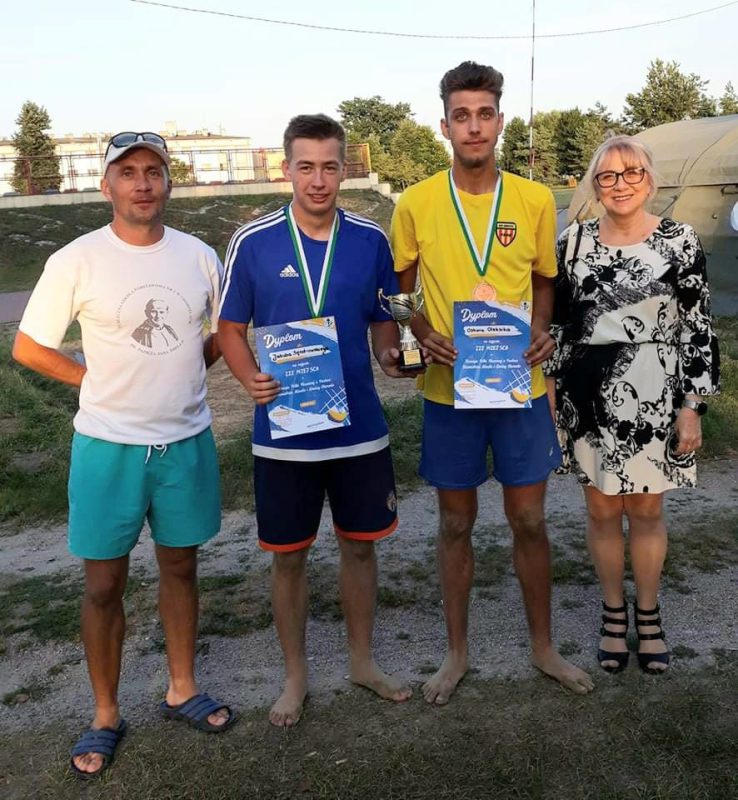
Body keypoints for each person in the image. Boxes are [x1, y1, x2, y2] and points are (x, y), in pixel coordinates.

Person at [13, 131, 233, 779]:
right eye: (129, 172)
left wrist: (187, 373)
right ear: (106, 185)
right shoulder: (76, 260)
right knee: (103, 585)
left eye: (154, 172)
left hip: (184, 441)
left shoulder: (198, 256)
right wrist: (92, 382)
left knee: (181, 568)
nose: (143, 183)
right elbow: (29, 347)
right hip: (107, 446)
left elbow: (223, 331)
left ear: (168, 183)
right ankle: (105, 713)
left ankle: (182, 688)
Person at [390, 61, 594, 705]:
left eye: (484, 114)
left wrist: (542, 328)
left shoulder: (534, 200)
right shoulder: (415, 202)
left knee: (529, 519)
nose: (473, 126)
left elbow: (543, 280)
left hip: (518, 387)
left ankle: (543, 648)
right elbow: (399, 292)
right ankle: (456, 654)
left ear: (500, 121)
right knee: (455, 524)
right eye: (462, 115)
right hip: (449, 390)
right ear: (444, 125)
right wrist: (422, 332)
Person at [218, 114, 413, 727]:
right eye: (306, 167)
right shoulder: (253, 241)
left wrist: (392, 355)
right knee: (289, 557)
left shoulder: (370, 239)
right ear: (287, 170)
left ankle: (362, 661)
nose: (319, 180)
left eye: (330, 166)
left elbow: (385, 321)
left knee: (360, 548)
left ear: (344, 169)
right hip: (284, 433)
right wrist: (248, 376)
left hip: (358, 429)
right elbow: (229, 328)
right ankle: (295, 676)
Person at [546, 135, 720, 674]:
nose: (620, 184)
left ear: (649, 179)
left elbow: (698, 327)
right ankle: (612, 614)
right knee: (601, 509)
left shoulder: (680, 241)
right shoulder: (571, 242)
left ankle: (648, 616)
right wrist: (550, 393)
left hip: (655, 390)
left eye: (631, 173)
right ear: (595, 185)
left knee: (646, 509)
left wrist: (692, 406)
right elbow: (558, 324)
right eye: (608, 175)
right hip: (586, 392)